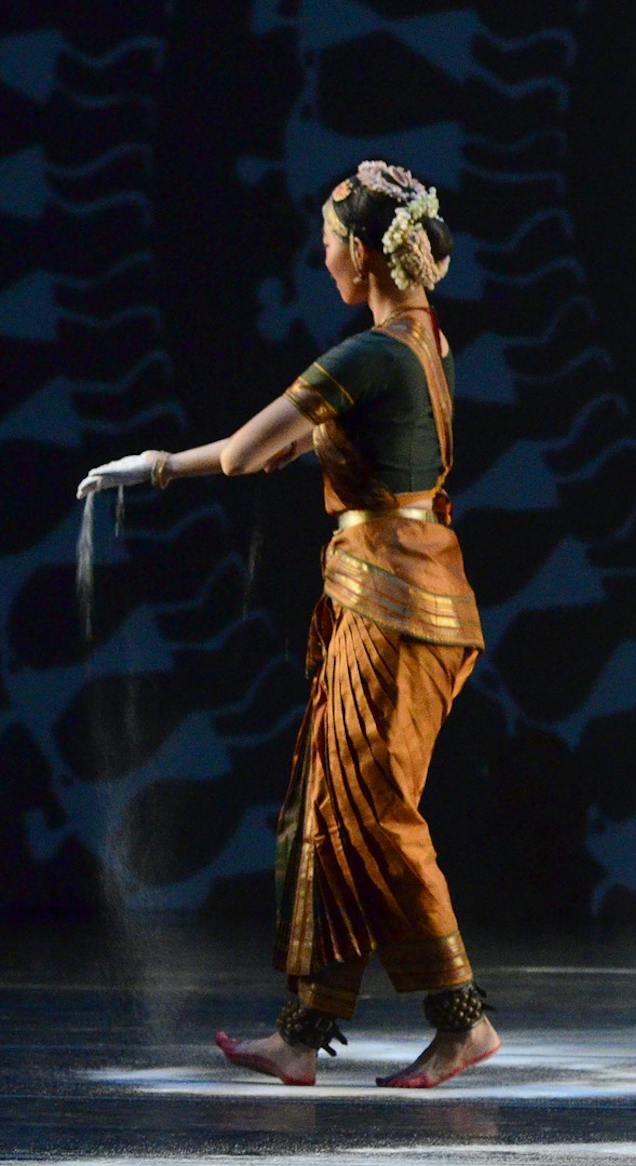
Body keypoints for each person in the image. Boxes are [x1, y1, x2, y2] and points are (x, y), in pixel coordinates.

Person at [75, 162, 499, 1090]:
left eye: (328, 242)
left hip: (397, 601)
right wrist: (166, 464)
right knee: (327, 805)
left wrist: (154, 467)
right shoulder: (421, 342)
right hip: (390, 592)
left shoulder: (370, 354)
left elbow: (244, 453)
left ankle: (462, 1018)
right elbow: (303, 447)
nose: (322, 257)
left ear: (362, 253)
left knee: (376, 811)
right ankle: (305, 1034)